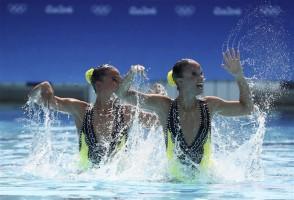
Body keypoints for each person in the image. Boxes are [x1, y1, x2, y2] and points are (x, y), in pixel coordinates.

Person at [116, 49, 254, 180]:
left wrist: (239, 75)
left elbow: (247, 108)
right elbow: (122, 94)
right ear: (180, 81)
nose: (201, 78)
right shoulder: (164, 107)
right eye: (194, 74)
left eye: (201, 74)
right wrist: (131, 74)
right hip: (173, 184)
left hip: (207, 184)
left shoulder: (210, 106)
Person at [29, 64, 156, 169]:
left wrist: (158, 101)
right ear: (99, 85)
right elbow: (36, 99)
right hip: (86, 184)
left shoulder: (127, 112)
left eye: (120, 79)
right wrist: (43, 86)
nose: (120, 83)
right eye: (114, 79)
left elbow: (159, 121)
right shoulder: (81, 110)